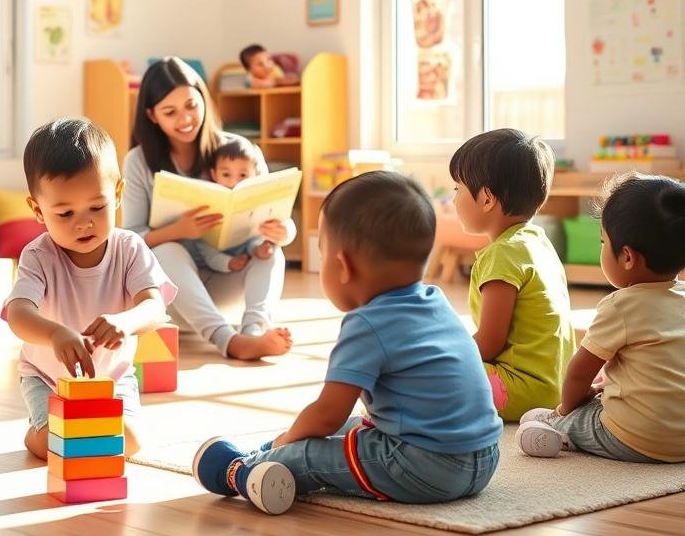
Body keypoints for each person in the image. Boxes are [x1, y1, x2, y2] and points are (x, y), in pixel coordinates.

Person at [192, 172, 502, 515]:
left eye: (323, 253)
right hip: (485, 456)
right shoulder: (434, 299)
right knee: (351, 426)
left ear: (341, 266)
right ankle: (267, 452)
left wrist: (288, 441)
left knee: (308, 453)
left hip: (427, 468)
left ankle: (241, 472)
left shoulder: (366, 323)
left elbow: (327, 413)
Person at [2, 119, 177, 459]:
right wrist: (54, 334)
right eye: (65, 213)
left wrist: (126, 322)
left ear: (118, 194)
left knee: (129, 443)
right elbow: (18, 314)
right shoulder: (38, 256)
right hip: (46, 379)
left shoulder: (129, 248)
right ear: (38, 210)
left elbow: (154, 307)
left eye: (97, 207)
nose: (84, 222)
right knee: (55, 446)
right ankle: (33, 432)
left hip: (113, 377)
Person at [122, 57, 293, 360]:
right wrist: (177, 231)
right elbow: (131, 239)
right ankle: (228, 340)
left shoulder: (241, 153)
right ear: (152, 116)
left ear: (204, 98)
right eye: (170, 112)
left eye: (191, 105)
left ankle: (253, 332)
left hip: (229, 276)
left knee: (270, 252)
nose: (185, 118)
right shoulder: (138, 161)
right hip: (171, 292)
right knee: (166, 250)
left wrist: (283, 232)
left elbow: (277, 217)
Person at [517, 173, 685, 462]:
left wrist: (565, 409)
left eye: (603, 241)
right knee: (600, 392)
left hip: (638, 439)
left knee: (572, 415)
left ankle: (558, 430)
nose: (601, 249)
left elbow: (578, 372)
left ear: (627, 257)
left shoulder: (621, 306)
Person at [450, 128, 576, 421]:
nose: (453, 199)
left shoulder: (502, 255)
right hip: (557, 385)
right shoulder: (538, 242)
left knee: (424, 371)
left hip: (521, 389)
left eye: (457, 189)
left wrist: (446, 353)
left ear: (486, 198)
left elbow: (491, 342)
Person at [187, 137, 296, 273]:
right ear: (214, 174)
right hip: (212, 254)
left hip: (248, 245)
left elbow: (281, 221)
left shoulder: (259, 197)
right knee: (205, 243)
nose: (234, 181)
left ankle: (258, 250)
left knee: (265, 248)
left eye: (243, 175)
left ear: (255, 175)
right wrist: (228, 262)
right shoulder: (208, 199)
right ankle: (228, 262)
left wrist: (283, 233)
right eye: (226, 174)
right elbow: (204, 248)